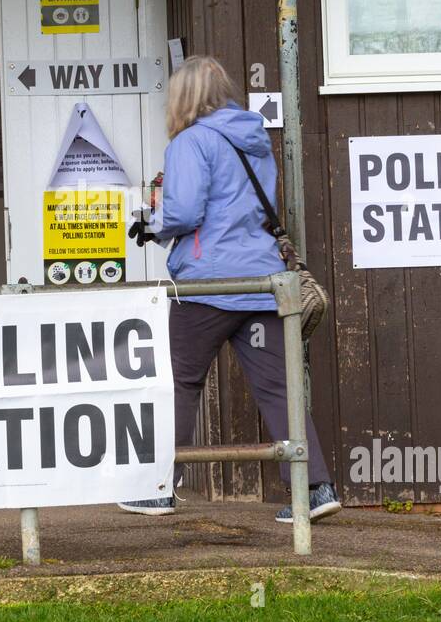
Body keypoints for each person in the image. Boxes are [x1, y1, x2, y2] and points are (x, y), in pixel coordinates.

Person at [121, 55, 340, 522]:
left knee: (177, 381)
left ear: (184, 98)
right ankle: (316, 488)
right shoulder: (254, 138)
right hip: (260, 282)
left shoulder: (190, 142)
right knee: (279, 388)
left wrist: (150, 222)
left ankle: (160, 487)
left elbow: (183, 213)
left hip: (207, 284)